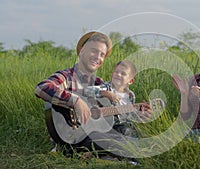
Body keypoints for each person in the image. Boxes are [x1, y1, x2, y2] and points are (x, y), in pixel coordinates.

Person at [34, 31, 151, 159]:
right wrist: (75, 101)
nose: (98, 57)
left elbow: (113, 116)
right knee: (113, 140)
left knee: (126, 131)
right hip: (73, 135)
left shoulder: (100, 83)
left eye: (102, 54)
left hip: (96, 134)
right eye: (94, 51)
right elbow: (42, 88)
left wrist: (136, 113)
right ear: (82, 51)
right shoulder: (67, 77)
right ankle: (141, 151)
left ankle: (117, 155)